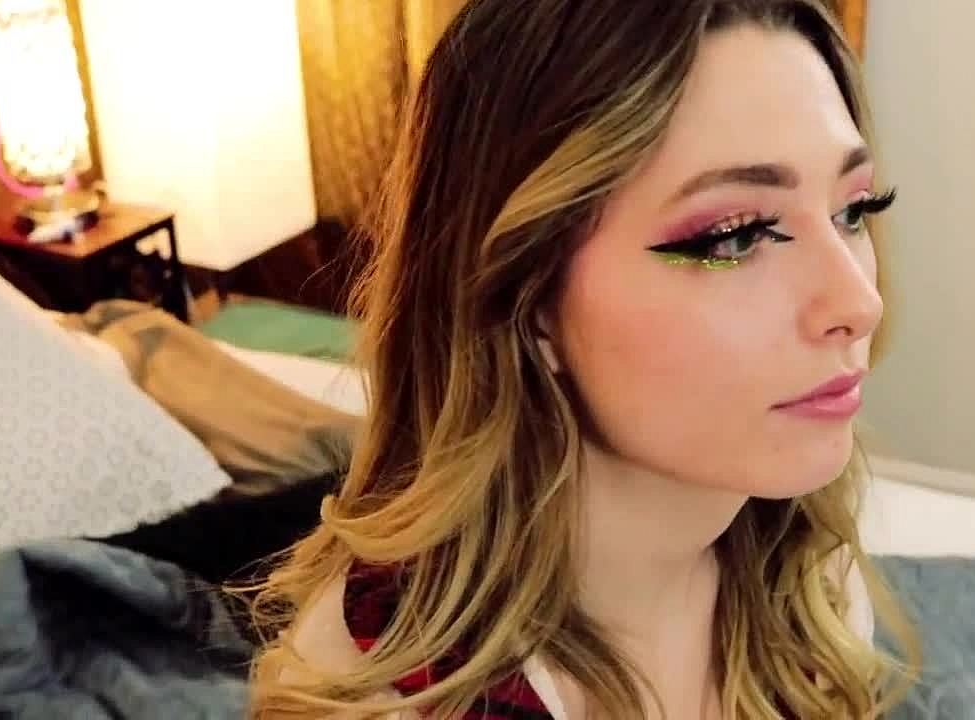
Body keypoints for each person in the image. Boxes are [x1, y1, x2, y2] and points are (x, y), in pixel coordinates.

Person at [245, 0, 920, 717]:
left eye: (853, 210)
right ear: (528, 299)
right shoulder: (385, 697)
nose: (859, 304)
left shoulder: (814, 580)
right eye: (735, 235)